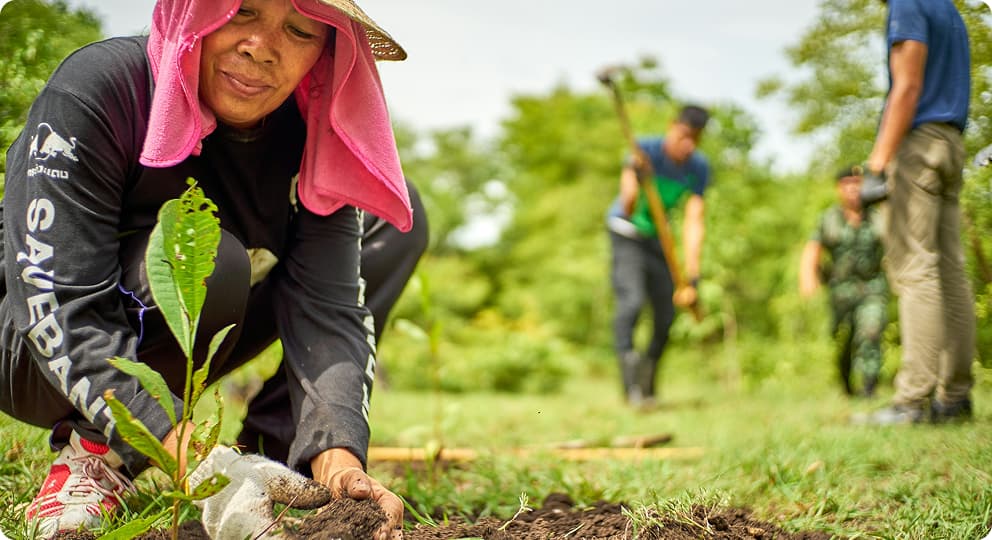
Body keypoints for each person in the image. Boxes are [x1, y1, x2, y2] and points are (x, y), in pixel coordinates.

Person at [0, 0, 428, 538]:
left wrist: (341, 466)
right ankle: (99, 453)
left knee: (393, 214)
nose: (262, 47)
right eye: (242, 12)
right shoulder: (102, 88)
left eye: (299, 30)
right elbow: (58, 300)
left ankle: (275, 461)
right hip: (31, 348)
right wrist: (201, 463)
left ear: (326, 51)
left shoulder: (316, 131)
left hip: (177, 333)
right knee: (205, 258)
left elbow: (330, 306)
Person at [859, 0, 975, 424]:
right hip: (951, 141)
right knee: (950, 269)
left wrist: (877, 164)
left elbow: (906, 87)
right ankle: (956, 397)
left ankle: (912, 400)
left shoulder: (908, 4)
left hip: (919, 144)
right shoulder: (950, 11)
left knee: (915, 268)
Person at [605, 104, 710, 407]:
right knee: (632, 301)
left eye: (696, 138)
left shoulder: (698, 167)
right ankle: (631, 387)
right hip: (625, 231)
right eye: (684, 136)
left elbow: (694, 221)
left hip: (657, 241)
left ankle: (647, 384)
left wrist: (691, 276)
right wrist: (637, 179)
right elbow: (627, 204)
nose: (688, 144)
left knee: (666, 315)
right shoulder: (644, 150)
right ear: (671, 126)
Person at [799, 166, 888, 398]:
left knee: (871, 331)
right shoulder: (829, 218)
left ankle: (869, 388)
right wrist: (808, 278)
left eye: (857, 183)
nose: (852, 189)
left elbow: (893, 246)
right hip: (841, 291)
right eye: (847, 184)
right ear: (839, 188)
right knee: (843, 340)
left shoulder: (877, 217)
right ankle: (847, 384)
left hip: (872, 287)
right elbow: (813, 249)